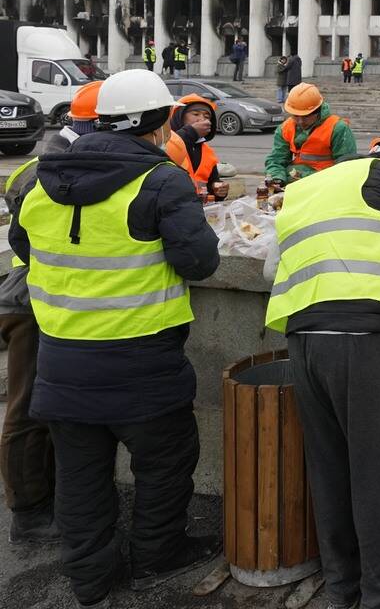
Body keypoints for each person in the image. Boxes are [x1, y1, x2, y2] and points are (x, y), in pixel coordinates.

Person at [8, 69, 221, 607]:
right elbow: (199, 261)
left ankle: (89, 581)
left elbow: (27, 250)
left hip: (61, 361)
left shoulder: (38, 180)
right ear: (160, 122)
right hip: (142, 361)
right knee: (166, 464)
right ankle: (156, 558)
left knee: (81, 478)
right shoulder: (160, 180)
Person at [263, 134, 380, 609]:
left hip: (305, 342)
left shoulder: (308, 187)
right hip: (364, 343)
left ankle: (342, 588)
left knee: (330, 468)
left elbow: (270, 272)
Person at [1, 159, 58, 545]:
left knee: (41, 406)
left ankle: (44, 499)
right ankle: (29, 514)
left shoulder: (43, 164)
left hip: (35, 294)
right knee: (27, 408)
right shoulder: (49, 170)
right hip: (28, 301)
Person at [264, 83, 357, 187]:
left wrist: (309, 178)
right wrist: (277, 178)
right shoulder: (285, 128)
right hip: (296, 181)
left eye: (305, 116)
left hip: (326, 183)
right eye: (295, 116)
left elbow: (347, 166)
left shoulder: (338, 128)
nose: (300, 121)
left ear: (317, 111)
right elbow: (276, 159)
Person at [165, 94, 228, 202]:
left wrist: (218, 190)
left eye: (207, 116)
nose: (202, 119)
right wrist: (191, 132)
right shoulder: (166, 142)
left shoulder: (207, 151)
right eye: (195, 114)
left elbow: (211, 185)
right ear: (180, 116)